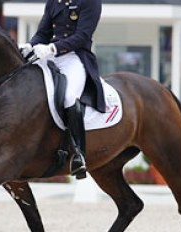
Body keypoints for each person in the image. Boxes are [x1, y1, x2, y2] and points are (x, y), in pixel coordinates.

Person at [20, 0, 105, 179]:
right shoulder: (53, 2)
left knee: (69, 96)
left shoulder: (90, 2)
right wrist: (31, 44)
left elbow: (83, 35)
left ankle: (78, 153)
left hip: (74, 57)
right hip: (49, 56)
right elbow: (43, 32)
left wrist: (53, 47)